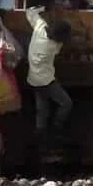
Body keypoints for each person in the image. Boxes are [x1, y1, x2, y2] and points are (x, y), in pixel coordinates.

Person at [26, 9, 71, 155]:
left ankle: (40, 142)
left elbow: (30, 12)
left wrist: (41, 9)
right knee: (66, 103)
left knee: (42, 111)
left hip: (33, 79)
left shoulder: (40, 27)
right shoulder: (53, 47)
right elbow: (61, 45)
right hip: (47, 82)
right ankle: (57, 128)